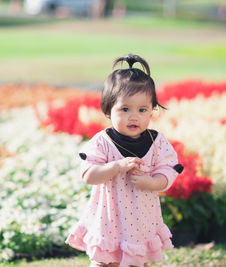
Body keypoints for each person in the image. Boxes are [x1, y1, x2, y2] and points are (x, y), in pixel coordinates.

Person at [65, 54, 182, 267]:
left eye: (142, 110)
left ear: (152, 109)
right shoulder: (102, 141)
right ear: (109, 109)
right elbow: (89, 175)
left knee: (138, 261)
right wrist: (116, 166)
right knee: (105, 261)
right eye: (125, 109)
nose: (134, 116)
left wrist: (153, 182)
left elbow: (169, 168)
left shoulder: (156, 142)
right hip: (108, 220)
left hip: (141, 222)